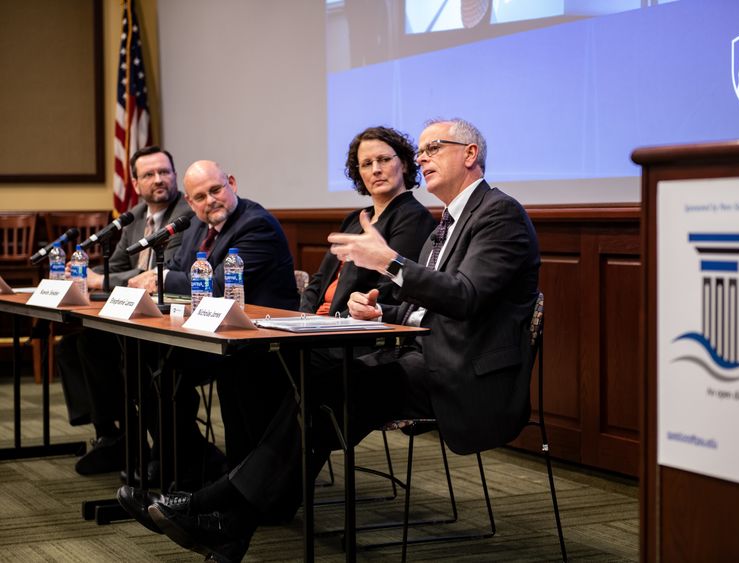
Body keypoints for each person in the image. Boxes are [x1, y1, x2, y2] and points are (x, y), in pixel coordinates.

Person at [119, 118, 540, 563]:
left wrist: (391, 262)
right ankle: (229, 526)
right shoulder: (448, 221)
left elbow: (466, 297)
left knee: (323, 385)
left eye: (433, 148)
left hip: (464, 374)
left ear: (470, 154)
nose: (422, 158)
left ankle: (213, 505)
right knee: (319, 392)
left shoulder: (498, 213)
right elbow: (430, 308)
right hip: (424, 356)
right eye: (420, 150)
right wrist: (381, 311)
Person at [127, 159, 300, 475]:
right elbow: (180, 269)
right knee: (142, 360)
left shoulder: (256, 224)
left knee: (162, 369)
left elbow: (220, 284)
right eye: (201, 197)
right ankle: (184, 459)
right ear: (190, 202)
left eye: (216, 190)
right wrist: (163, 277)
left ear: (231, 184)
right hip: (213, 333)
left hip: (259, 342)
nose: (211, 201)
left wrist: (158, 279)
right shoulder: (196, 226)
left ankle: (191, 463)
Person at [56, 146, 193, 475]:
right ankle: (112, 436)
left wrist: (100, 279)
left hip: (168, 316)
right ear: (135, 183)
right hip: (132, 311)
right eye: (149, 174)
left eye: (165, 172)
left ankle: (137, 443)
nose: (159, 180)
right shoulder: (133, 218)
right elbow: (115, 267)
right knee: (73, 346)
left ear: (175, 176)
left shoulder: (184, 216)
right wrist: (101, 278)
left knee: (110, 351)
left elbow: (165, 272)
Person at [300, 125, 436, 318]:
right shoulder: (354, 219)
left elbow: (389, 291)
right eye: (366, 164)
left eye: (384, 160)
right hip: (318, 326)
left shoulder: (414, 218)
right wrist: (304, 319)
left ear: (404, 163)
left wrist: (333, 323)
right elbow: (318, 281)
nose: (376, 170)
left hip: (352, 331)